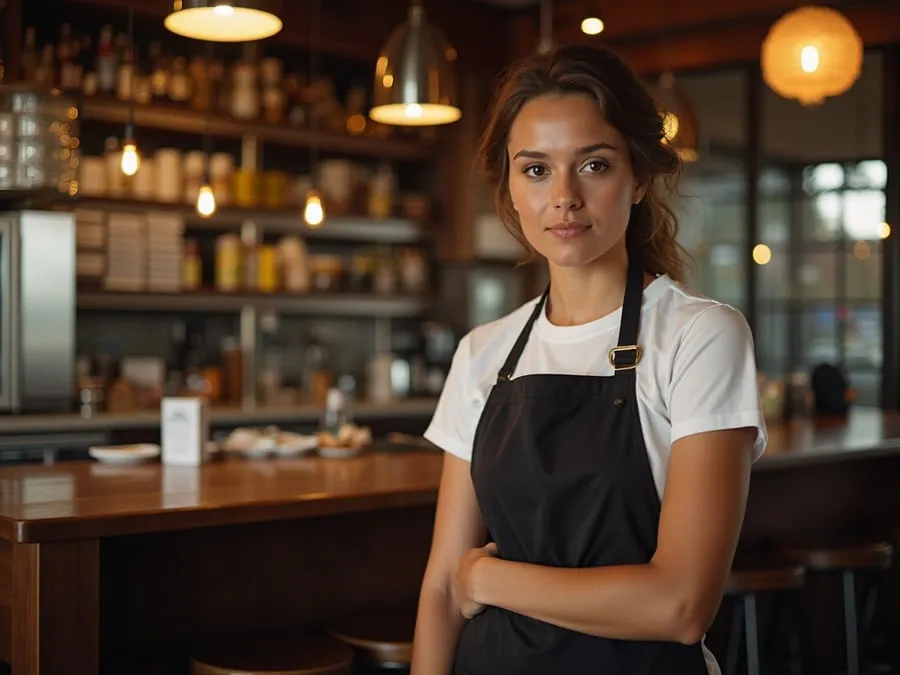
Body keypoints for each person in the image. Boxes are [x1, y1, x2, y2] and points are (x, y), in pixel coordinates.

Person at [409, 43, 767, 675]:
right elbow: (441, 588)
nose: (564, 197)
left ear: (639, 179)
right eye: (536, 169)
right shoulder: (483, 352)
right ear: (509, 189)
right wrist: (462, 580)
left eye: (594, 165)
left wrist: (487, 579)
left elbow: (681, 605)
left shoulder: (700, 336)